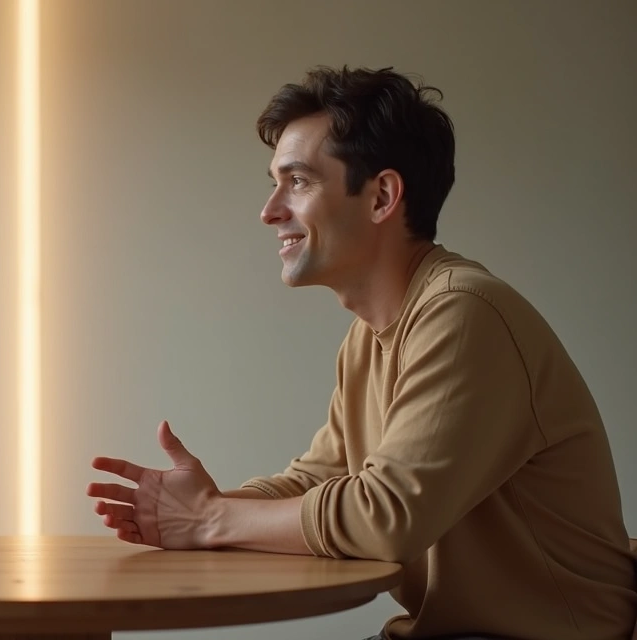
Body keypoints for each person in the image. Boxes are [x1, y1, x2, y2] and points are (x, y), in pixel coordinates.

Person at [87, 66, 636, 639]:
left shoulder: (464, 313)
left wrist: (210, 518)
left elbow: (385, 516)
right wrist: (197, 507)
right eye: (275, 182)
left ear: (381, 196)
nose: (270, 210)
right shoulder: (372, 336)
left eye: (297, 181)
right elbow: (318, 480)